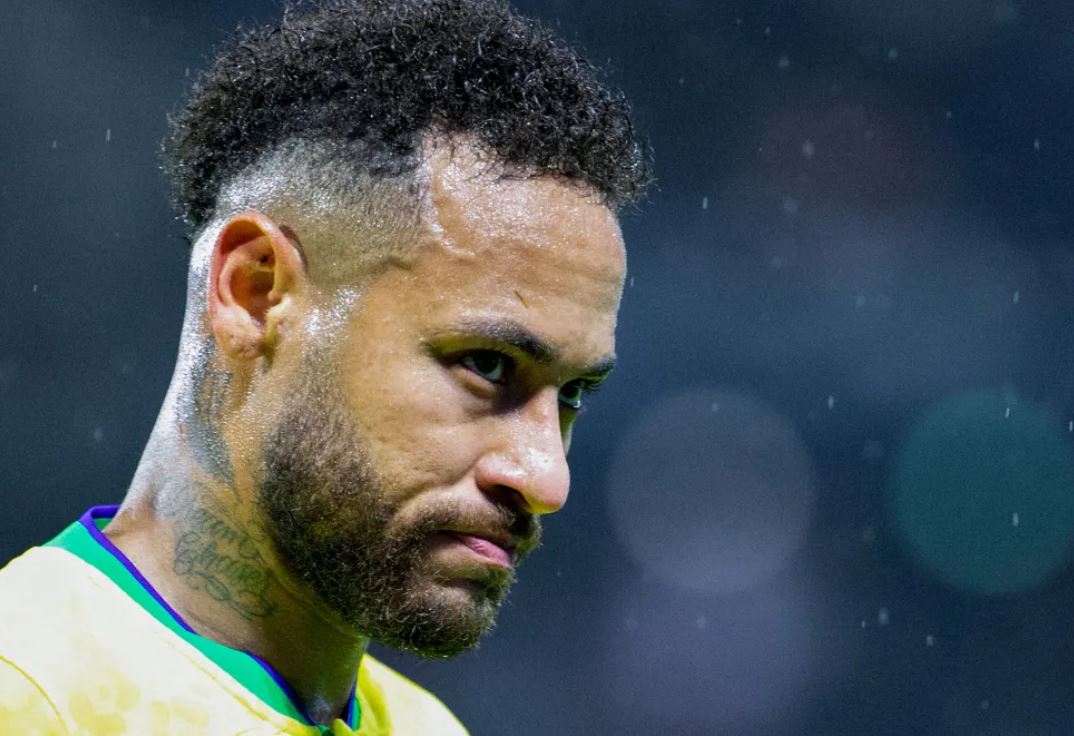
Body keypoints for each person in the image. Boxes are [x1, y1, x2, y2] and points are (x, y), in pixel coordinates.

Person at [0, 0, 649, 732]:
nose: (546, 479)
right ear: (255, 293)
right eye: (487, 365)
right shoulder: (28, 690)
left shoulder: (429, 726)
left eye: (573, 394)